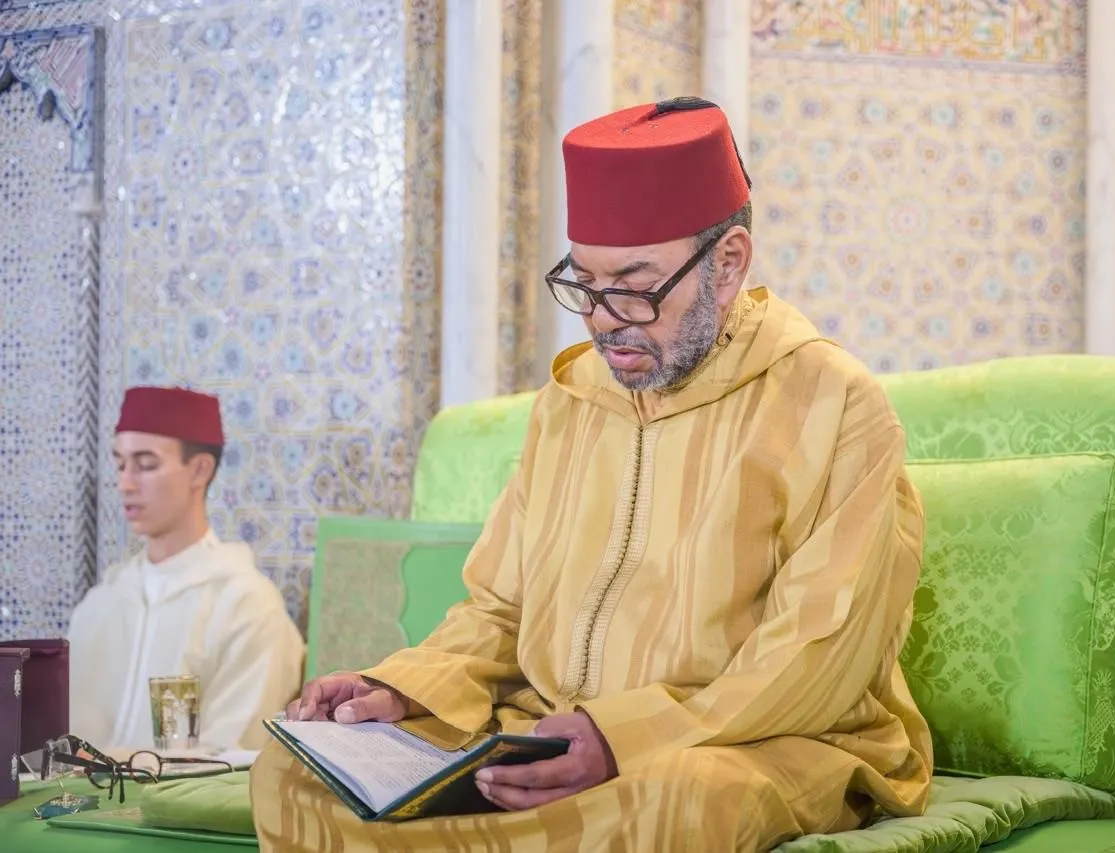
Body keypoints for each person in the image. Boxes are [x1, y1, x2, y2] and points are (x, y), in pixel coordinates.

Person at [252, 97, 932, 851]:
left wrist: (620, 738)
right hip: (544, 732)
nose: (605, 319)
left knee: (683, 802)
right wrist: (400, 689)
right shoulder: (569, 403)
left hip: (753, 741)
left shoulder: (833, 403)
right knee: (294, 771)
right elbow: (500, 611)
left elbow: (818, 651)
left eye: (635, 287)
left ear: (729, 263)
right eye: (585, 286)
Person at [68, 386, 304, 752]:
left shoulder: (246, 606)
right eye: (121, 464)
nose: (125, 483)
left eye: (146, 464)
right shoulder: (101, 603)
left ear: (199, 470)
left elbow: (230, 755)